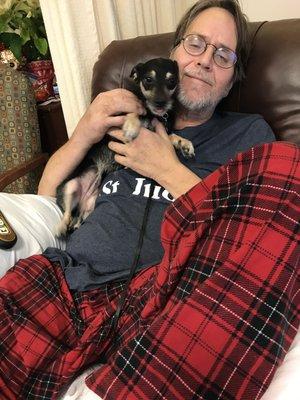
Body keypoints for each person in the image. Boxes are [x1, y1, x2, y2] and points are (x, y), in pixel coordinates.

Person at [0, 1, 299, 399]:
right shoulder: (128, 119)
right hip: (66, 280)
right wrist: (84, 132)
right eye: (196, 43)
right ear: (174, 54)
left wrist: (166, 168)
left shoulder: (248, 135)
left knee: (291, 165)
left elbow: (253, 240)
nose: (205, 61)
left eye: (223, 55)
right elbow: (47, 199)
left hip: (161, 302)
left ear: (232, 80)